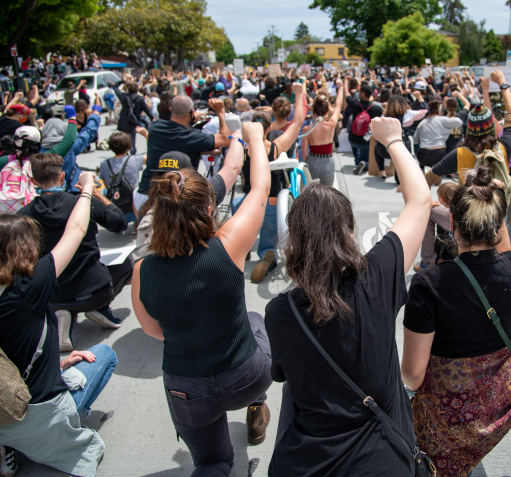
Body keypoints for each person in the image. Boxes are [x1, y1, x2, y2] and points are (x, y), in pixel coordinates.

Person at [264, 116, 432, 476]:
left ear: (294, 241)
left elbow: (283, 376)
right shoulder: (377, 277)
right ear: (348, 230)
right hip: (382, 461)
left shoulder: (281, 311)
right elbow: (420, 200)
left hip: (307, 462)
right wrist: (393, 140)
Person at [132, 122, 273, 477]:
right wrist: (253, 137)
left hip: (187, 389)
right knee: (257, 320)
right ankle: (258, 404)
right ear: (209, 209)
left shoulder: (142, 270)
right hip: (246, 376)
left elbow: (152, 330)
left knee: (212, 464)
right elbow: (260, 187)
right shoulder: (228, 245)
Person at [401, 167, 511, 476]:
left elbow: (413, 375)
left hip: (447, 409)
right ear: (499, 224)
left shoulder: (429, 284)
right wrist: (492, 195)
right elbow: (506, 249)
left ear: (452, 223)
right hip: (495, 402)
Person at [0, 172, 114, 477]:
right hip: (36, 410)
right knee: (106, 356)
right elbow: (77, 228)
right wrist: (85, 191)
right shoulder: (27, 285)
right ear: (17, 250)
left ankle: (0, 446)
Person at [20, 153, 131, 351]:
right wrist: (94, 192)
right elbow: (119, 222)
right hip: (95, 291)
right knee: (127, 262)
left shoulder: (24, 216)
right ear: (63, 177)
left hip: (52, 296)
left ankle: (64, 313)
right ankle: (100, 307)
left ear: (32, 181)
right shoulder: (82, 203)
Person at [239, 83, 306, 283]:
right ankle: (268, 252)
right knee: (268, 237)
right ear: (270, 128)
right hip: (272, 199)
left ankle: (242, 250)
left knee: (244, 229)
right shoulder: (275, 147)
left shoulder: (242, 148)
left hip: (247, 199)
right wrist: (299, 94)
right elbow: (298, 121)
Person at [134, 96, 233, 212]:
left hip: (146, 193)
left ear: (171, 109)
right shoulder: (193, 137)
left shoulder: (154, 127)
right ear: (191, 113)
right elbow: (226, 138)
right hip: (175, 200)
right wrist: (220, 112)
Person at [424, 70, 511, 189]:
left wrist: (428, 202)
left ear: (469, 129)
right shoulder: (503, 148)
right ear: (492, 126)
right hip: (499, 207)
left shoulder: (458, 154)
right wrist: (502, 82)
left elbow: (429, 177)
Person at [98, 132, 147, 223]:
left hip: (116, 207)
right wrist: (146, 135)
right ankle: (137, 222)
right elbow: (152, 156)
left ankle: (117, 223)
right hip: (132, 209)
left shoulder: (104, 164)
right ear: (128, 146)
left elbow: (107, 185)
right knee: (138, 190)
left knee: (105, 191)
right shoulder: (134, 160)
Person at [302, 80, 343, 186]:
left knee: (312, 192)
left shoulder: (307, 129)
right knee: (328, 192)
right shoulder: (331, 125)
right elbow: (338, 106)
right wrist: (341, 87)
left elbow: (304, 153)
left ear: (313, 112)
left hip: (313, 160)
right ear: (327, 112)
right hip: (328, 161)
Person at [414, 181, 457, 271]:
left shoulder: (445, 213)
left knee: (429, 213)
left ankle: (428, 260)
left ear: (441, 199)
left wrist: (430, 206)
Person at [413, 100, 463, 173]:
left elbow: (415, 140)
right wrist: (450, 117)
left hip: (422, 155)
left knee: (421, 159)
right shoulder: (442, 119)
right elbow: (459, 122)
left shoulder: (422, 123)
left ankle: (422, 172)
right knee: (437, 175)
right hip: (438, 154)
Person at [345, 83, 384, 175]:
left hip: (353, 138)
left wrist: (346, 82)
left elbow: (346, 96)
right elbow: (384, 113)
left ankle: (357, 163)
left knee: (356, 154)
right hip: (366, 140)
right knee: (366, 158)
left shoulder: (355, 104)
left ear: (362, 93)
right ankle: (364, 164)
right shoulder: (376, 109)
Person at [113, 81, 155, 154]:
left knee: (124, 139)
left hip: (124, 121)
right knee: (132, 139)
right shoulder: (140, 99)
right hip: (134, 121)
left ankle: (124, 153)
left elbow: (115, 87)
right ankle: (132, 153)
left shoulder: (124, 97)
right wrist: (153, 119)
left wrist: (123, 81)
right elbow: (147, 110)